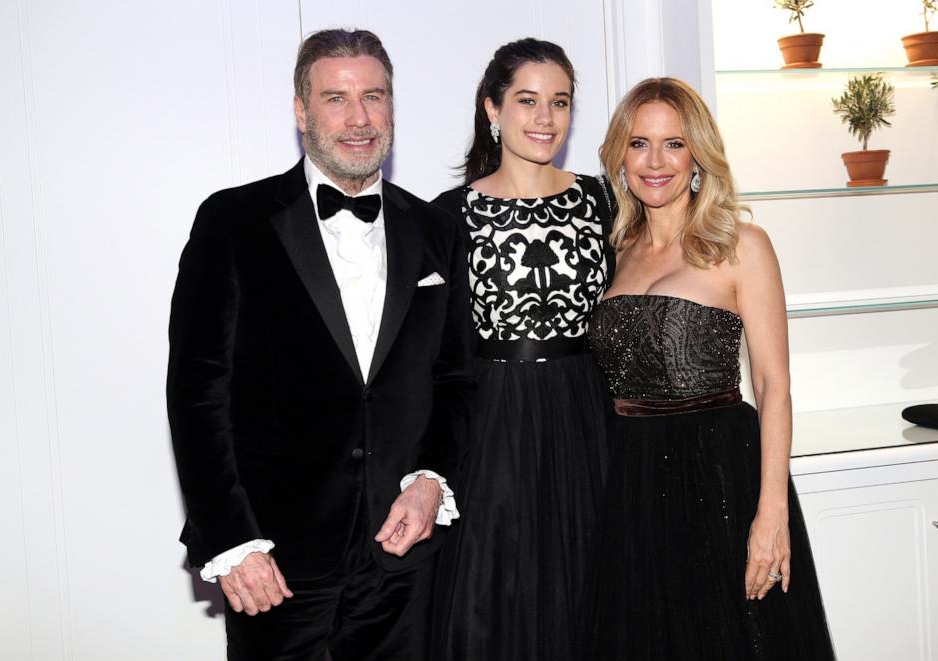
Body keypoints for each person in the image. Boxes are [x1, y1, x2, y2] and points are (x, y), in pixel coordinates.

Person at [167, 28, 473, 661]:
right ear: (301, 111)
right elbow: (197, 396)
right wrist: (232, 542)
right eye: (336, 98)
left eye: (375, 96)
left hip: (405, 557)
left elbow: (455, 378)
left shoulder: (437, 228)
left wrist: (429, 482)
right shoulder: (232, 222)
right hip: (274, 563)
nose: (359, 118)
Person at [581, 77, 835, 660]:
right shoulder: (617, 251)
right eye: (639, 142)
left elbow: (773, 386)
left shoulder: (742, 244)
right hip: (632, 481)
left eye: (673, 144)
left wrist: (771, 513)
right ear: (621, 153)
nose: (655, 161)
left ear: (698, 154)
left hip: (720, 473)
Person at [430, 38, 615, 661]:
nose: (545, 118)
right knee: (491, 597)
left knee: (590, 585)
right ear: (493, 109)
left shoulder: (603, 200)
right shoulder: (449, 215)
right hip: (491, 423)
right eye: (527, 101)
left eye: (559, 103)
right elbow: (433, 352)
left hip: (587, 415)